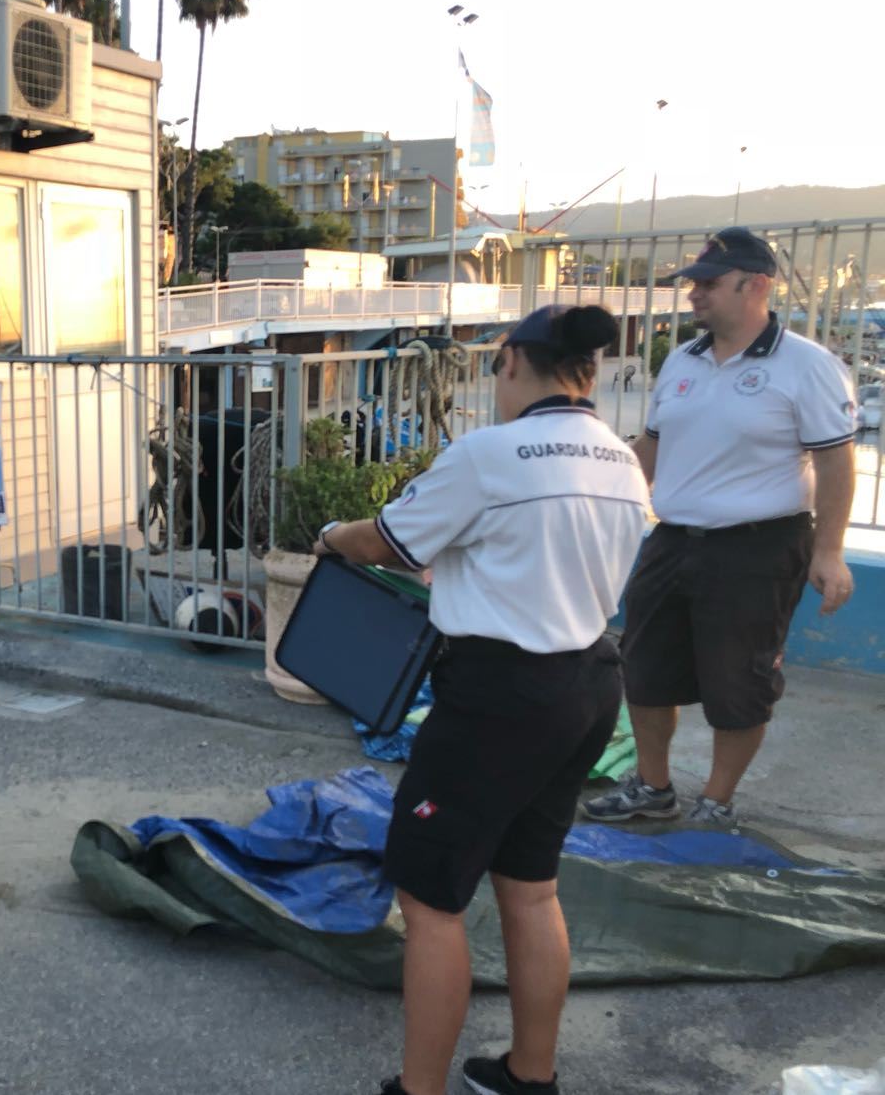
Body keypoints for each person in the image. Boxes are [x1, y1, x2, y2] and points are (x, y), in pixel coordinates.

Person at [316, 306, 650, 1095]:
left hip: (499, 696)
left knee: (430, 898)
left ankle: (419, 1087)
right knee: (532, 887)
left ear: (508, 362)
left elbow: (388, 541)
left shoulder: (490, 455)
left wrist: (332, 532)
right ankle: (530, 1075)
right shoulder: (621, 460)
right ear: (590, 373)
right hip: (591, 683)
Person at [582, 227, 857, 828]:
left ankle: (717, 801)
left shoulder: (807, 366)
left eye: (707, 283)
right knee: (646, 672)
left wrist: (830, 551)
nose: (693, 295)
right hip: (673, 539)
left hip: (758, 548)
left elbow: (837, 461)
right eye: (692, 283)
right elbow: (650, 447)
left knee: (741, 684)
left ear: (755, 285)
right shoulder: (684, 358)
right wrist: (594, 497)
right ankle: (653, 789)